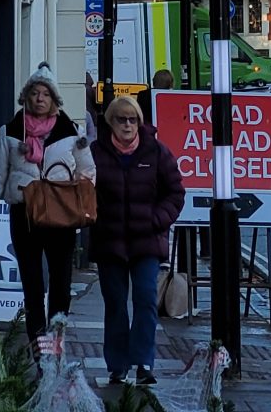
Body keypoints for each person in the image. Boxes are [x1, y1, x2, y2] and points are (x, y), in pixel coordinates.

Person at [0, 63, 95, 359]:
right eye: (34, 93)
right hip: (26, 217)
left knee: (61, 284)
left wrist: (75, 197)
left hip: (61, 216)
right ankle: (39, 354)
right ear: (26, 97)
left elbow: (88, 172)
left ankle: (56, 344)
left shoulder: (70, 132)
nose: (40, 98)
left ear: (55, 100)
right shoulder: (9, 132)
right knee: (32, 286)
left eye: (46, 94)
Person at [90, 95, 185, 387]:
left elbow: (176, 193)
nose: (128, 125)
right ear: (111, 123)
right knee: (115, 304)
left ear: (140, 122)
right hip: (111, 241)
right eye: (121, 119)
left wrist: (156, 221)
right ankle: (117, 365)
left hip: (146, 242)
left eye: (133, 119)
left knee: (145, 300)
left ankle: (144, 361)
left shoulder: (156, 151)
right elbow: (84, 191)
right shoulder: (96, 152)